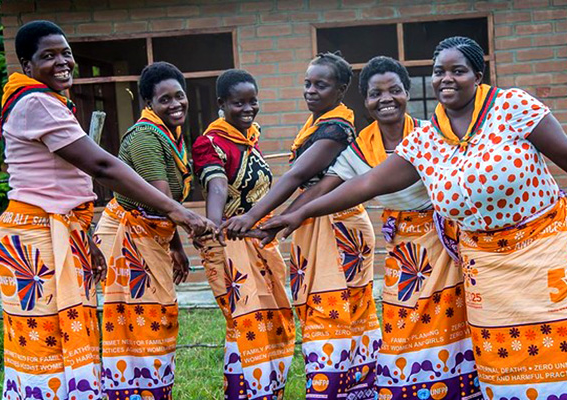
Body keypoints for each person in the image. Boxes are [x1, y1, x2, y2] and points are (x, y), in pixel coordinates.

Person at [262, 36, 567, 399]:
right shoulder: (427, 140)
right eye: (438, 72)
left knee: (560, 353)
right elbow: (367, 183)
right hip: (484, 268)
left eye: (457, 71)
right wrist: (298, 214)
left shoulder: (512, 107)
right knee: (503, 362)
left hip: (543, 255)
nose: (446, 79)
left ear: (477, 74)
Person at [0, 21, 214, 400]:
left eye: (65, 53)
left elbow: (65, 185)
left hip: (57, 232)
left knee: (69, 340)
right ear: (26, 64)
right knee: (44, 347)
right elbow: (103, 168)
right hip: (36, 240)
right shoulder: (36, 103)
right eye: (48, 56)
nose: (63, 62)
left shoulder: (43, 100)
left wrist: (86, 240)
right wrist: (184, 214)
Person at [263, 56, 480, 399]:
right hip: (404, 252)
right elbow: (328, 186)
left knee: (450, 326)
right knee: (400, 325)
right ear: (365, 101)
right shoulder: (360, 147)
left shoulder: (432, 136)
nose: (386, 99)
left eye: (395, 90)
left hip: (444, 247)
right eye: (376, 94)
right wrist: (289, 217)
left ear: (407, 93)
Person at [222, 53, 381, 400]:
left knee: (335, 314)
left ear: (340, 90)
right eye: (307, 83)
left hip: (338, 230)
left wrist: (253, 217)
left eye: (320, 85)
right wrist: (280, 222)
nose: (310, 90)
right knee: (323, 311)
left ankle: (336, 391)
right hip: (316, 225)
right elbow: (308, 187)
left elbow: (297, 177)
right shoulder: (317, 124)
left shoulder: (337, 129)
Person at [93, 61, 197, 399]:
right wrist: (201, 230)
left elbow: (165, 205)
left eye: (179, 96)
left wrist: (176, 246)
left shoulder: (171, 135)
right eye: (164, 100)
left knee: (155, 316)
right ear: (148, 105)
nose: (175, 104)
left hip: (153, 231)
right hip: (128, 235)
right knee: (134, 322)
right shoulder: (145, 137)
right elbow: (163, 198)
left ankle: (152, 390)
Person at [191, 69, 295, 400]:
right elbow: (216, 184)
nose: (248, 109)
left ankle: (268, 392)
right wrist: (214, 224)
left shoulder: (251, 137)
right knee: (248, 324)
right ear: (222, 104)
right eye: (239, 103)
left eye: (253, 101)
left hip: (260, 242)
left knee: (274, 321)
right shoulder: (210, 143)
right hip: (234, 244)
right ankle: (247, 393)